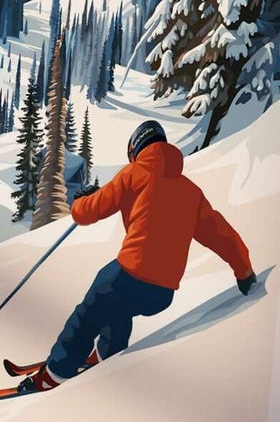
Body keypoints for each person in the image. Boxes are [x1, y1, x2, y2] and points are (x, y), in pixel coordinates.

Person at [19, 118, 257, 392]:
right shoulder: (192, 192)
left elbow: (87, 213)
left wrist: (80, 200)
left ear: (135, 150)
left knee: (90, 310)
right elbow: (221, 234)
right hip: (163, 293)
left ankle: (55, 373)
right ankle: (108, 353)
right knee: (117, 305)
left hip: (132, 275)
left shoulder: (132, 174)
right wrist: (244, 270)